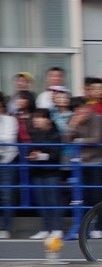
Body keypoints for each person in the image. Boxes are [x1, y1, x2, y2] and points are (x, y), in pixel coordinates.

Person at [26, 109, 64, 239]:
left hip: (51, 172)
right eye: (35, 118)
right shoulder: (33, 133)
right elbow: (31, 150)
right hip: (37, 171)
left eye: (40, 118)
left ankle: (57, 228)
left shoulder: (55, 134)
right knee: (41, 202)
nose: (36, 120)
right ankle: (45, 228)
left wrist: (40, 155)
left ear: (48, 120)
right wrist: (32, 155)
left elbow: (55, 154)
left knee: (53, 201)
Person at [0, 98, 18, 239]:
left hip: (7, 161)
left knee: (6, 196)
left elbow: (10, 138)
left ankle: (6, 228)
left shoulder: (10, 120)